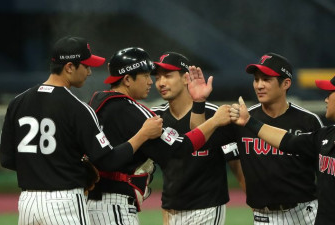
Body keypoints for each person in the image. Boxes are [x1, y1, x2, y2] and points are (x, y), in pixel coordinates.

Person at [0, 36, 163, 225]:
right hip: (64, 202)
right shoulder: (77, 108)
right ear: (69, 67)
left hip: (27, 203)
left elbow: (8, 160)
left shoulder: (18, 102)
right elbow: (107, 160)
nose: (90, 72)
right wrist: (142, 135)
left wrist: (41, 168)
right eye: (86, 66)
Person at [86, 47, 232, 225]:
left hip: (89, 203)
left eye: (164, 76)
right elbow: (181, 148)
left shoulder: (93, 105)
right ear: (127, 79)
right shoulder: (139, 114)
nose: (152, 82)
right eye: (147, 76)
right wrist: (215, 121)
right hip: (114, 206)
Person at [230, 69, 335, 225]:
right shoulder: (327, 135)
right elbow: (287, 140)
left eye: (329, 94)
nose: (326, 100)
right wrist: (250, 122)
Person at [189, 53, 323, 224]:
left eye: (266, 79)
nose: (259, 85)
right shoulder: (242, 119)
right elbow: (199, 139)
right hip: (263, 217)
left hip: (305, 214)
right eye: (256, 79)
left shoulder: (308, 121)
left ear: (286, 83)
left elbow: (325, 173)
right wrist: (199, 103)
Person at [150, 52, 245, 225]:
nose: (161, 83)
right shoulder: (156, 117)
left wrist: (255, 203)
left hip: (206, 208)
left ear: (186, 78)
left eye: (168, 76)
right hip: (171, 211)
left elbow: (235, 162)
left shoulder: (214, 114)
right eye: (157, 78)